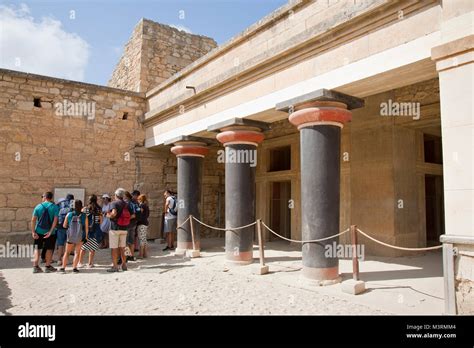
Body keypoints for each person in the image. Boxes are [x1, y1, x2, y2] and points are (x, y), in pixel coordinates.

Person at [31, 192, 59, 273]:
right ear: (51, 198)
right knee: (49, 249)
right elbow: (55, 220)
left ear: (44, 197)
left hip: (38, 231)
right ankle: (47, 266)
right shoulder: (55, 207)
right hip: (51, 233)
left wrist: (33, 232)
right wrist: (50, 231)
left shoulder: (38, 206)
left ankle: (35, 266)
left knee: (37, 249)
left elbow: (33, 220)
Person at [106, 188, 133, 272]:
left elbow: (113, 213)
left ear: (116, 195)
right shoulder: (127, 204)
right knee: (123, 247)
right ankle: (124, 265)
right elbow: (132, 215)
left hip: (115, 228)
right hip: (124, 228)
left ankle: (115, 267)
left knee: (114, 248)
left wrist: (108, 215)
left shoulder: (114, 203)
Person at [59, 200, 88, 274]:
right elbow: (86, 228)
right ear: (81, 206)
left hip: (71, 236)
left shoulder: (69, 214)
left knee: (67, 252)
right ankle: (74, 268)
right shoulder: (85, 216)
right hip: (80, 236)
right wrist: (86, 237)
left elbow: (64, 225)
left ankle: (63, 268)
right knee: (77, 253)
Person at [78, 195, 102, 268]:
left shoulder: (85, 209)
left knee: (83, 247)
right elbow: (101, 220)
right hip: (96, 229)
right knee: (92, 248)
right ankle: (90, 263)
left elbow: (81, 217)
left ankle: (80, 262)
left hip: (86, 229)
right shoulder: (99, 209)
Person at [55, 193, 74, 266]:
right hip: (69, 226)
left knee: (60, 243)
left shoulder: (60, 203)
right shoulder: (73, 203)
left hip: (60, 226)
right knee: (68, 243)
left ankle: (59, 260)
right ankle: (66, 260)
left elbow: (56, 214)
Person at [124, 191, 138, 261]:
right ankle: (131, 256)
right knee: (131, 241)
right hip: (133, 224)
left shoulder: (128, 204)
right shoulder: (133, 203)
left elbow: (133, 215)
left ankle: (126, 256)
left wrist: (126, 219)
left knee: (126, 241)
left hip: (128, 224)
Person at [136, 194, 150, 259]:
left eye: (138, 199)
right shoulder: (146, 205)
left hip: (141, 223)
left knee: (141, 239)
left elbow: (139, 214)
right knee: (144, 239)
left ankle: (141, 255)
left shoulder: (141, 205)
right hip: (145, 223)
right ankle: (145, 254)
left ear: (140, 199)